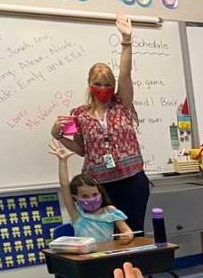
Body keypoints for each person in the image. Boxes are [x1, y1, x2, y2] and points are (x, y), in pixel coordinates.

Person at [49, 14, 151, 235]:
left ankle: (135, 269)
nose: (103, 88)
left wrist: (126, 40)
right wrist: (58, 136)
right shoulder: (78, 115)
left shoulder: (121, 103)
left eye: (107, 84)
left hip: (132, 179)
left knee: (134, 231)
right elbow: (81, 149)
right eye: (97, 84)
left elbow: (125, 75)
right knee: (106, 233)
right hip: (100, 186)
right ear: (89, 85)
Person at [50, 140, 134, 278]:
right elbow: (64, 186)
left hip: (110, 257)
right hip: (87, 262)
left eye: (94, 194)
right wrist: (63, 161)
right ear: (77, 198)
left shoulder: (110, 211)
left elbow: (128, 231)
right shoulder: (78, 214)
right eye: (85, 196)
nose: (91, 199)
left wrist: (125, 236)